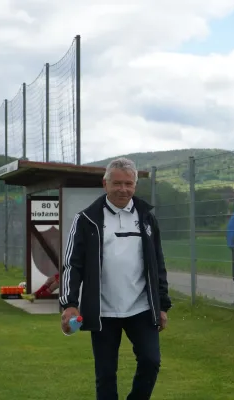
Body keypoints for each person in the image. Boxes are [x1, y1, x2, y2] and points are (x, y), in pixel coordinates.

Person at [59, 157, 171, 400]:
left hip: (141, 308)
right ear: (105, 184)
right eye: (117, 183)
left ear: (135, 185)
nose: (123, 189)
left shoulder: (146, 217)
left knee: (151, 361)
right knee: (106, 374)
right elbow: (72, 264)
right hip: (103, 311)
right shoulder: (86, 219)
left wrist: (162, 305)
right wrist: (69, 303)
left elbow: (158, 264)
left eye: (128, 184)